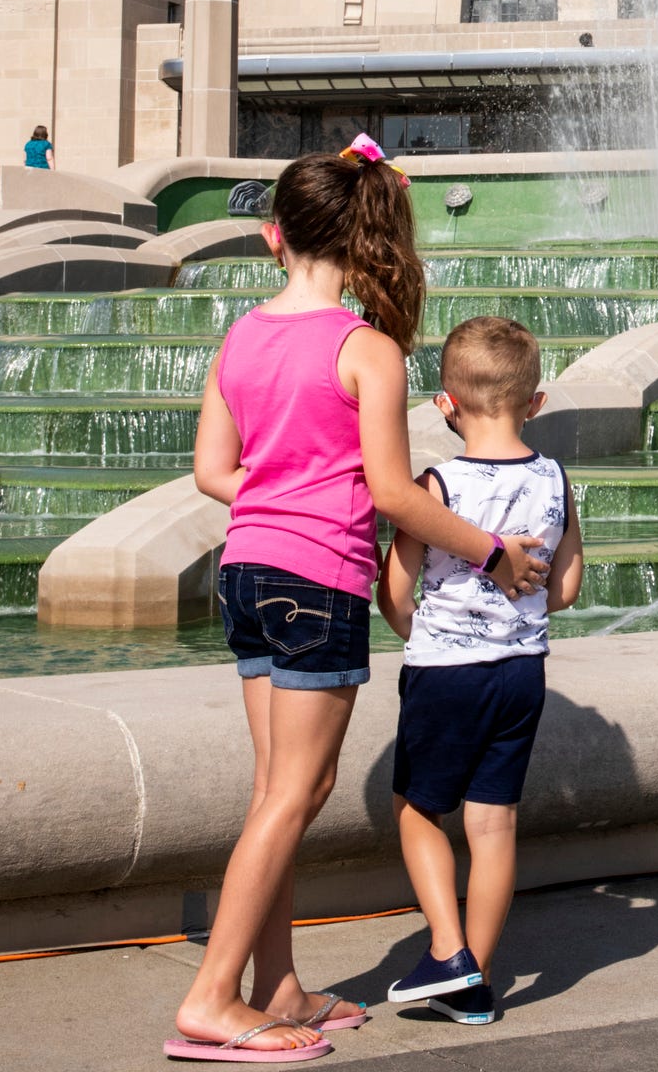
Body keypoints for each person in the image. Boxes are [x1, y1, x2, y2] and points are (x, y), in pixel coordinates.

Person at [168, 138, 548, 1065]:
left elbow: (214, 472)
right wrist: (491, 550)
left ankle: (277, 983)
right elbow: (391, 493)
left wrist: (282, 493)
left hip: (248, 571)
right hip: (316, 580)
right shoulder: (365, 348)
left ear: (275, 237)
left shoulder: (242, 335)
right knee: (297, 794)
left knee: (276, 792)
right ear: (366, 238)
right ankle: (212, 998)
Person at [377, 315, 584, 1027]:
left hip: (447, 672)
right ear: (536, 402)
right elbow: (565, 589)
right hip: (521, 671)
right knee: (493, 826)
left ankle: (448, 950)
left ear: (446, 403)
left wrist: (427, 636)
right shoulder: (555, 479)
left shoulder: (434, 487)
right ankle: (478, 983)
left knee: (417, 809)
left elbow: (394, 596)